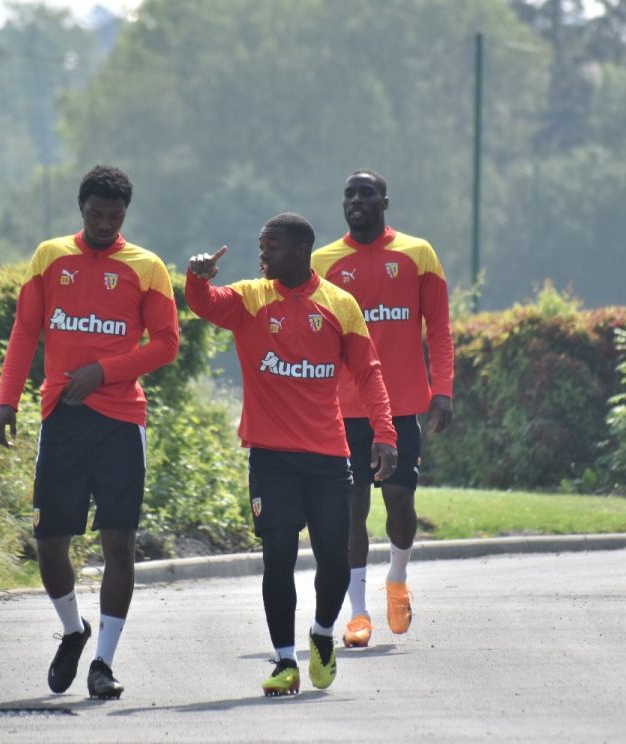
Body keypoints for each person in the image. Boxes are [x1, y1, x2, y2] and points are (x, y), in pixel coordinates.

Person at [185, 213, 398, 696]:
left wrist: (385, 434)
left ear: (302, 249)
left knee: (334, 561)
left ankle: (322, 635)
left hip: (326, 456)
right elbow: (206, 305)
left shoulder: (339, 305)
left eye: (273, 247)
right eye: (262, 246)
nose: (263, 255)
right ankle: (284, 661)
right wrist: (197, 279)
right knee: (277, 556)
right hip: (270, 458)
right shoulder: (251, 298)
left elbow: (369, 373)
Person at [0, 164, 180, 700]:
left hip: (122, 422)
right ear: (81, 208)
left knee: (118, 543)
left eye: (114, 216)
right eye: (96, 214)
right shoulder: (51, 256)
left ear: (125, 215)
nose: (104, 224)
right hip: (62, 420)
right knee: (51, 543)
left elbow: (167, 343)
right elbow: (27, 330)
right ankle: (74, 631)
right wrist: (7, 402)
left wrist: (106, 370)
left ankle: (103, 663)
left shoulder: (146, 267)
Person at [311, 170, 454, 648]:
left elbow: (439, 329)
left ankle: (397, 578)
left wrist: (443, 390)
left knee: (399, 502)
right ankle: (358, 612)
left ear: (384, 202)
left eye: (365, 193)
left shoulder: (418, 254)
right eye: (348, 193)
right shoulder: (324, 261)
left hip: (402, 404)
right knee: (352, 510)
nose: (356, 200)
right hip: (345, 408)